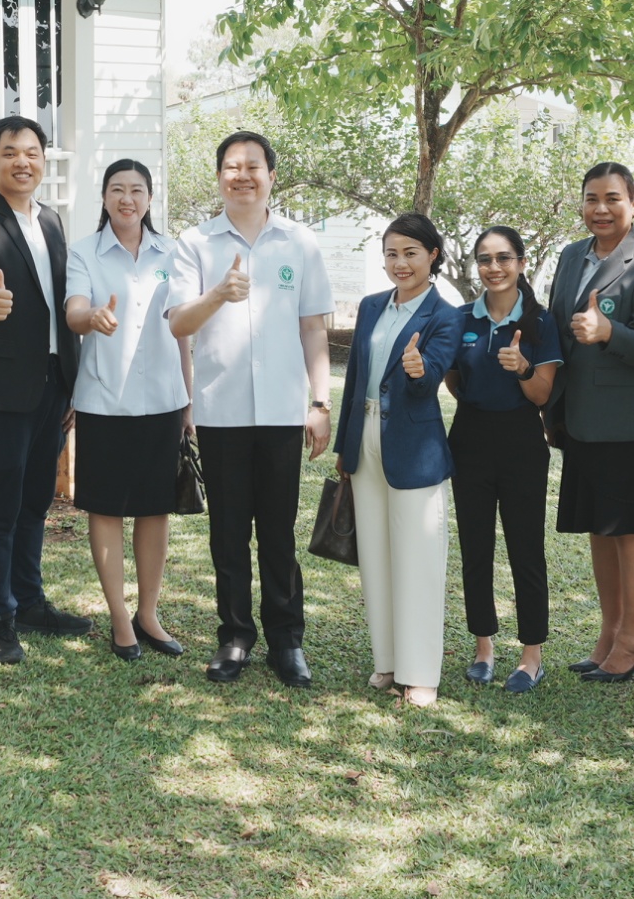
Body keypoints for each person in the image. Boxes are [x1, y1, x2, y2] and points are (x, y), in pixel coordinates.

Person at [168, 130, 334, 688]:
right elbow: (178, 323)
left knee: (279, 532)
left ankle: (287, 641)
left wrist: (320, 401)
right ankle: (235, 636)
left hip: (285, 412)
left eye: (253, 166)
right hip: (221, 412)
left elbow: (313, 328)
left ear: (271, 176)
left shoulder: (299, 241)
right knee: (229, 532)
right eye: (232, 167)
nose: (242, 176)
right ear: (219, 177)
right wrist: (219, 293)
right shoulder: (195, 242)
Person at [0, 116, 92, 664]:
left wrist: (73, 383)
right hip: (3, 387)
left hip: (54, 382)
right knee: (1, 503)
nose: (22, 162)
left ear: (43, 161)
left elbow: (62, 302)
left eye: (32, 152)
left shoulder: (51, 220)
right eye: (10, 152)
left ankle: (29, 601)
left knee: (35, 501)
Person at [546, 161, 634, 683]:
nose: (600, 209)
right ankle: (609, 632)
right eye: (591, 199)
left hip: (632, 425)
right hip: (579, 419)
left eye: (612, 198)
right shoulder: (570, 256)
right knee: (599, 531)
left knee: (630, 532)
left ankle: (633, 640)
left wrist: (608, 333)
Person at [64, 159, 193, 660]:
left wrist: (187, 401)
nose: (127, 199)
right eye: (117, 189)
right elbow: (75, 310)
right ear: (103, 197)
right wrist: (92, 317)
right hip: (104, 400)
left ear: (149, 199)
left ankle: (149, 614)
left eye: (137, 190)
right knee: (107, 507)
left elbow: (181, 330)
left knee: (155, 507)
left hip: (163, 398)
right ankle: (120, 617)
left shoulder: (173, 253)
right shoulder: (84, 252)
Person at [333, 215, 464, 707]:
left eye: (411, 253)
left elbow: (430, 379)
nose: (400, 263)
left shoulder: (445, 315)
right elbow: (354, 378)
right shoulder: (371, 306)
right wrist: (345, 446)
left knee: (418, 560)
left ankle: (420, 672)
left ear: (433, 255)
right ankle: (387, 661)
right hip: (364, 438)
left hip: (414, 448)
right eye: (391, 253)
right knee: (376, 558)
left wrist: (418, 368)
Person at [444, 225, 563, 694]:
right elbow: (454, 380)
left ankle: (532, 656)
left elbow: (542, 395)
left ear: (521, 263)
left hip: (521, 440)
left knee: (525, 549)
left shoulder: (540, 321)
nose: (494, 268)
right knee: (475, 548)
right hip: (469, 438)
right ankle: (483, 649)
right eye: (485, 259)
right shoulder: (460, 319)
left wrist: (523, 369)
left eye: (504, 258)